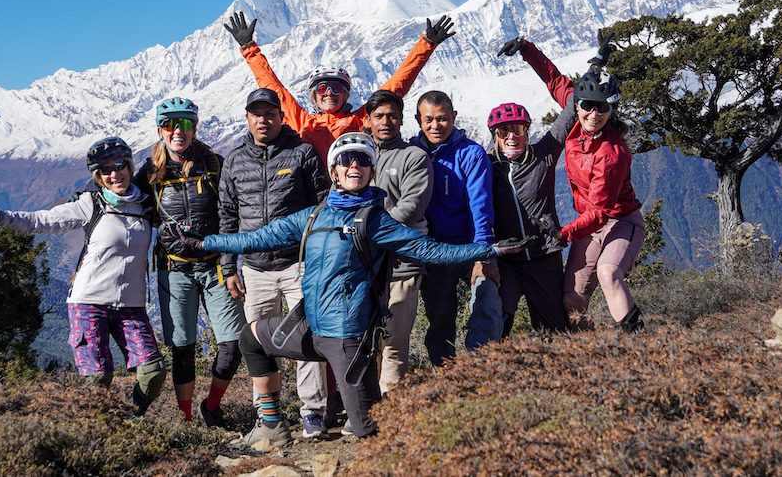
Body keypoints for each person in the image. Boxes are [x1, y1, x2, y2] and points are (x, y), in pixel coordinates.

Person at [173, 132, 527, 446]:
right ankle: (271, 425)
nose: (354, 165)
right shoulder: (313, 215)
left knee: (369, 432)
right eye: (346, 159)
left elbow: (431, 249)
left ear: (371, 170)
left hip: (348, 341)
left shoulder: (374, 219)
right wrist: (204, 244)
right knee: (252, 339)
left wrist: (490, 250)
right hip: (308, 329)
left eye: (362, 160)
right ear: (335, 171)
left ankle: (447, 442)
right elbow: (257, 237)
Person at [0, 137, 166, 414]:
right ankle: (91, 429)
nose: (114, 174)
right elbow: (42, 221)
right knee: (97, 378)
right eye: (105, 170)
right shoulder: (90, 204)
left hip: (131, 305)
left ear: (130, 166)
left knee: (153, 372)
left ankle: (132, 420)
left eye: (119, 165)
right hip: (88, 302)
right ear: (98, 177)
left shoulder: (145, 204)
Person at [498, 35, 645, 332]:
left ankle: (640, 345)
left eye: (603, 109)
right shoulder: (575, 121)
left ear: (611, 110)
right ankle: (587, 352)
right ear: (577, 105)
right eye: (588, 106)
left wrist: (564, 234)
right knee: (571, 301)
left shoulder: (612, 154)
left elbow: (602, 211)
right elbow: (555, 80)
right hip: (587, 224)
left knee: (608, 272)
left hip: (620, 221)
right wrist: (527, 49)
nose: (594, 114)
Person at [218, 88, 331, 439]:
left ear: (281, 117)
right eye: (256, 113)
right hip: (254, 267)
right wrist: (228, 266)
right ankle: (268, 417)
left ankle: (313, 411)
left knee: (308, 338)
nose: (263, 119)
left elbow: (324, 205)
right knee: (257, 342)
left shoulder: (302, 154)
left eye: (270, 113)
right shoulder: (234, 161)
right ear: (248, 118)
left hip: (299, 264)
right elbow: (227, 215)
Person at [135, 97, 245, 427]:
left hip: (214, 266)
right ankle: (185, 419)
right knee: (182, 350)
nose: (176, 131)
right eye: (169, 125)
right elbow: (124, 201)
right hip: (174, 268)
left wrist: (230, 264)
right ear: (159, 130)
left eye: (183, 124)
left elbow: (233, 213)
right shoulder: (150, 173)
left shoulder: (214, 164)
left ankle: (210, 406)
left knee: (232, 345)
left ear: (195, 128)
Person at [221, 11, 457, 158]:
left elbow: (395, 87)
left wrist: (426, 44)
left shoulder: (360, 120)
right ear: (314, 96)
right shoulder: (302, 122)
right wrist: (249, 48)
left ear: (347, 95)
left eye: (338, 88)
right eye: (323, 89)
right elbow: (273, 88)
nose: (330, 93)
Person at [410, 90, 502, 365]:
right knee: (440, 316)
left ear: (454, 118)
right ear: (418, 120)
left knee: (486, 300)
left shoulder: (470, 154)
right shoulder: (412, 154)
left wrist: (482, 255)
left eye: (442, 119)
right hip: (433, 249)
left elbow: (481, 205)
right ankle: (447, 376)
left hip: (470, 244)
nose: (435, 126)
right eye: (428, 120)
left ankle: (482, 368)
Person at [484, 101, 577, 334]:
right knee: (496, 327)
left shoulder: (543, 155)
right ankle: (495, 370)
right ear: (495, 135)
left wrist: (591, 76)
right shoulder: (487, 165)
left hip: (544, 257)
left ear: (527, 131)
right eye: (503, 131)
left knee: (554, 332)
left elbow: (566, 120)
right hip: (508, 261)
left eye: (518, 129)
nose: (511, 136)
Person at [363, 90, 432, 393]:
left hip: (402, 265)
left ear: (402, 119)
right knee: (362, 340)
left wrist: (368, 229)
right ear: (368, 120)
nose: (386, 121)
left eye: (392, 115)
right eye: (379, 116)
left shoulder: (413, 157)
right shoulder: (358, 156)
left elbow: (412, 206)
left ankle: (390, 413)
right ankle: (364, 408)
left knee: (393, 341)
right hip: (363, 266)